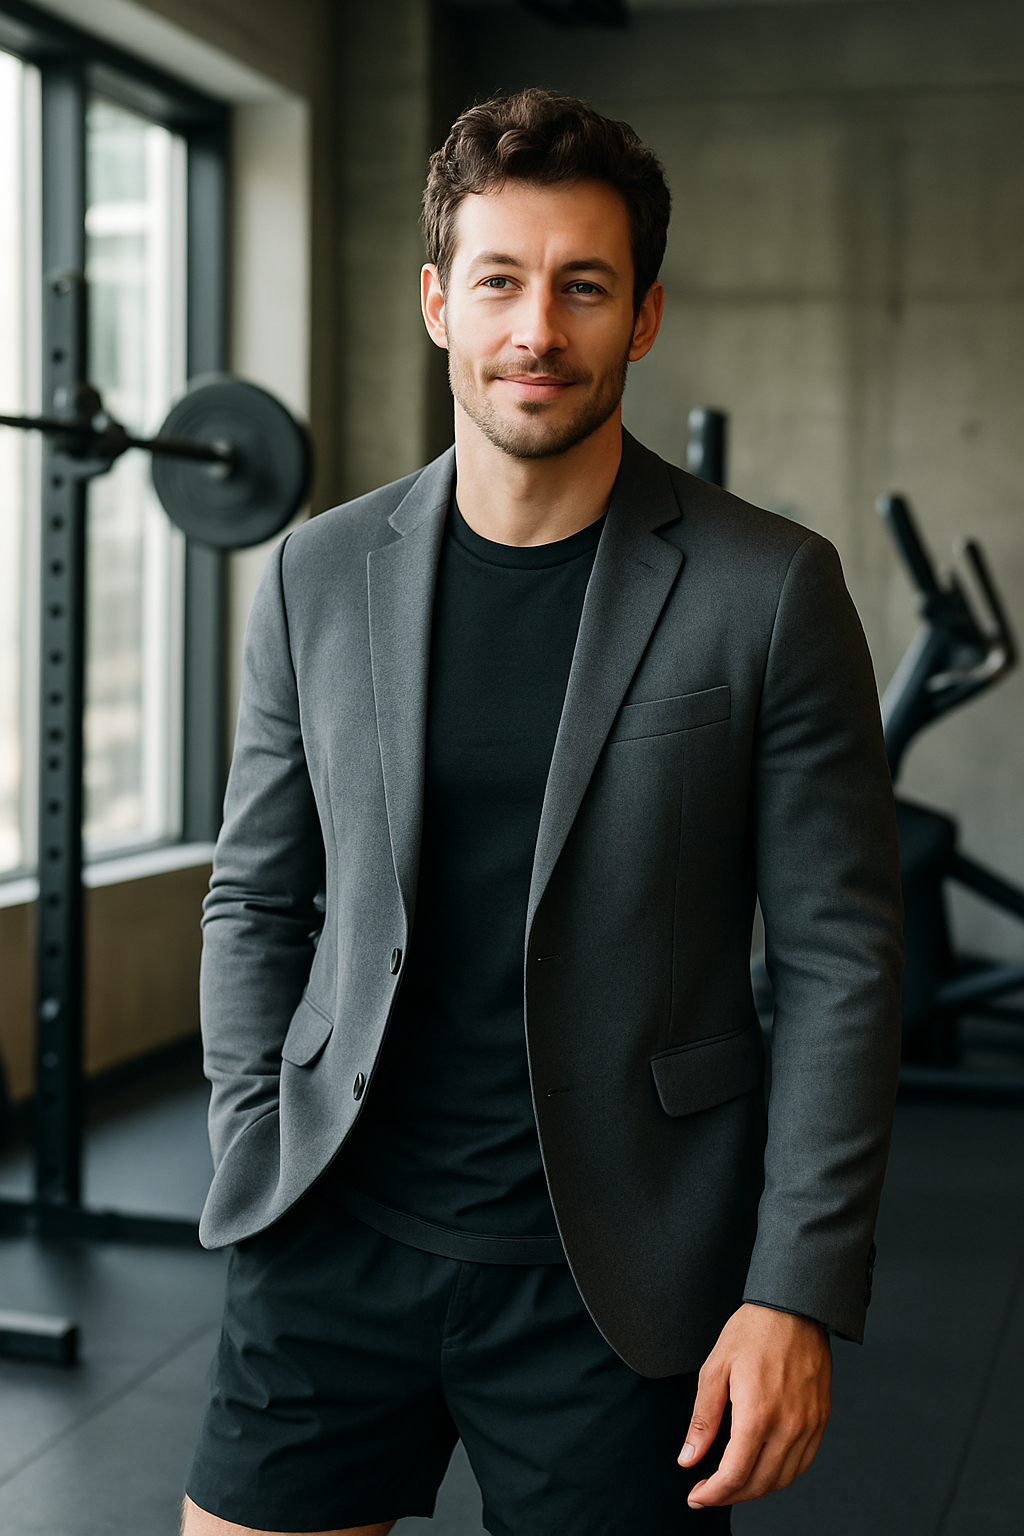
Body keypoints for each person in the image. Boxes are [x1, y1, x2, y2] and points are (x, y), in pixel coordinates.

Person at [182, 88, 903, 1536]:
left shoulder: (770, 591)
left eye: (584, 287)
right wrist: (253, 1141)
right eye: (501, 283)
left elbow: (841, 963)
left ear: (639, 316)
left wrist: (792, 1287)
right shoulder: (320, 575)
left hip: (618, 1273)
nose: (538, 331)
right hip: (331, 1235)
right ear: (440, 302)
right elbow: (256, 893)